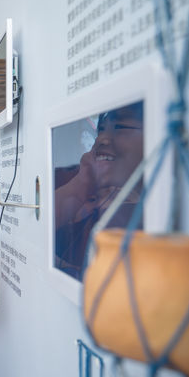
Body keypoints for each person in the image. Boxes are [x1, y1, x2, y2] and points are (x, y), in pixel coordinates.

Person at [54, 101, 144, 279]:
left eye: (120, 127)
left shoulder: (138, 214)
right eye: (101, 129)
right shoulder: (91, 196)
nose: (102, 138)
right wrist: (81, 184)